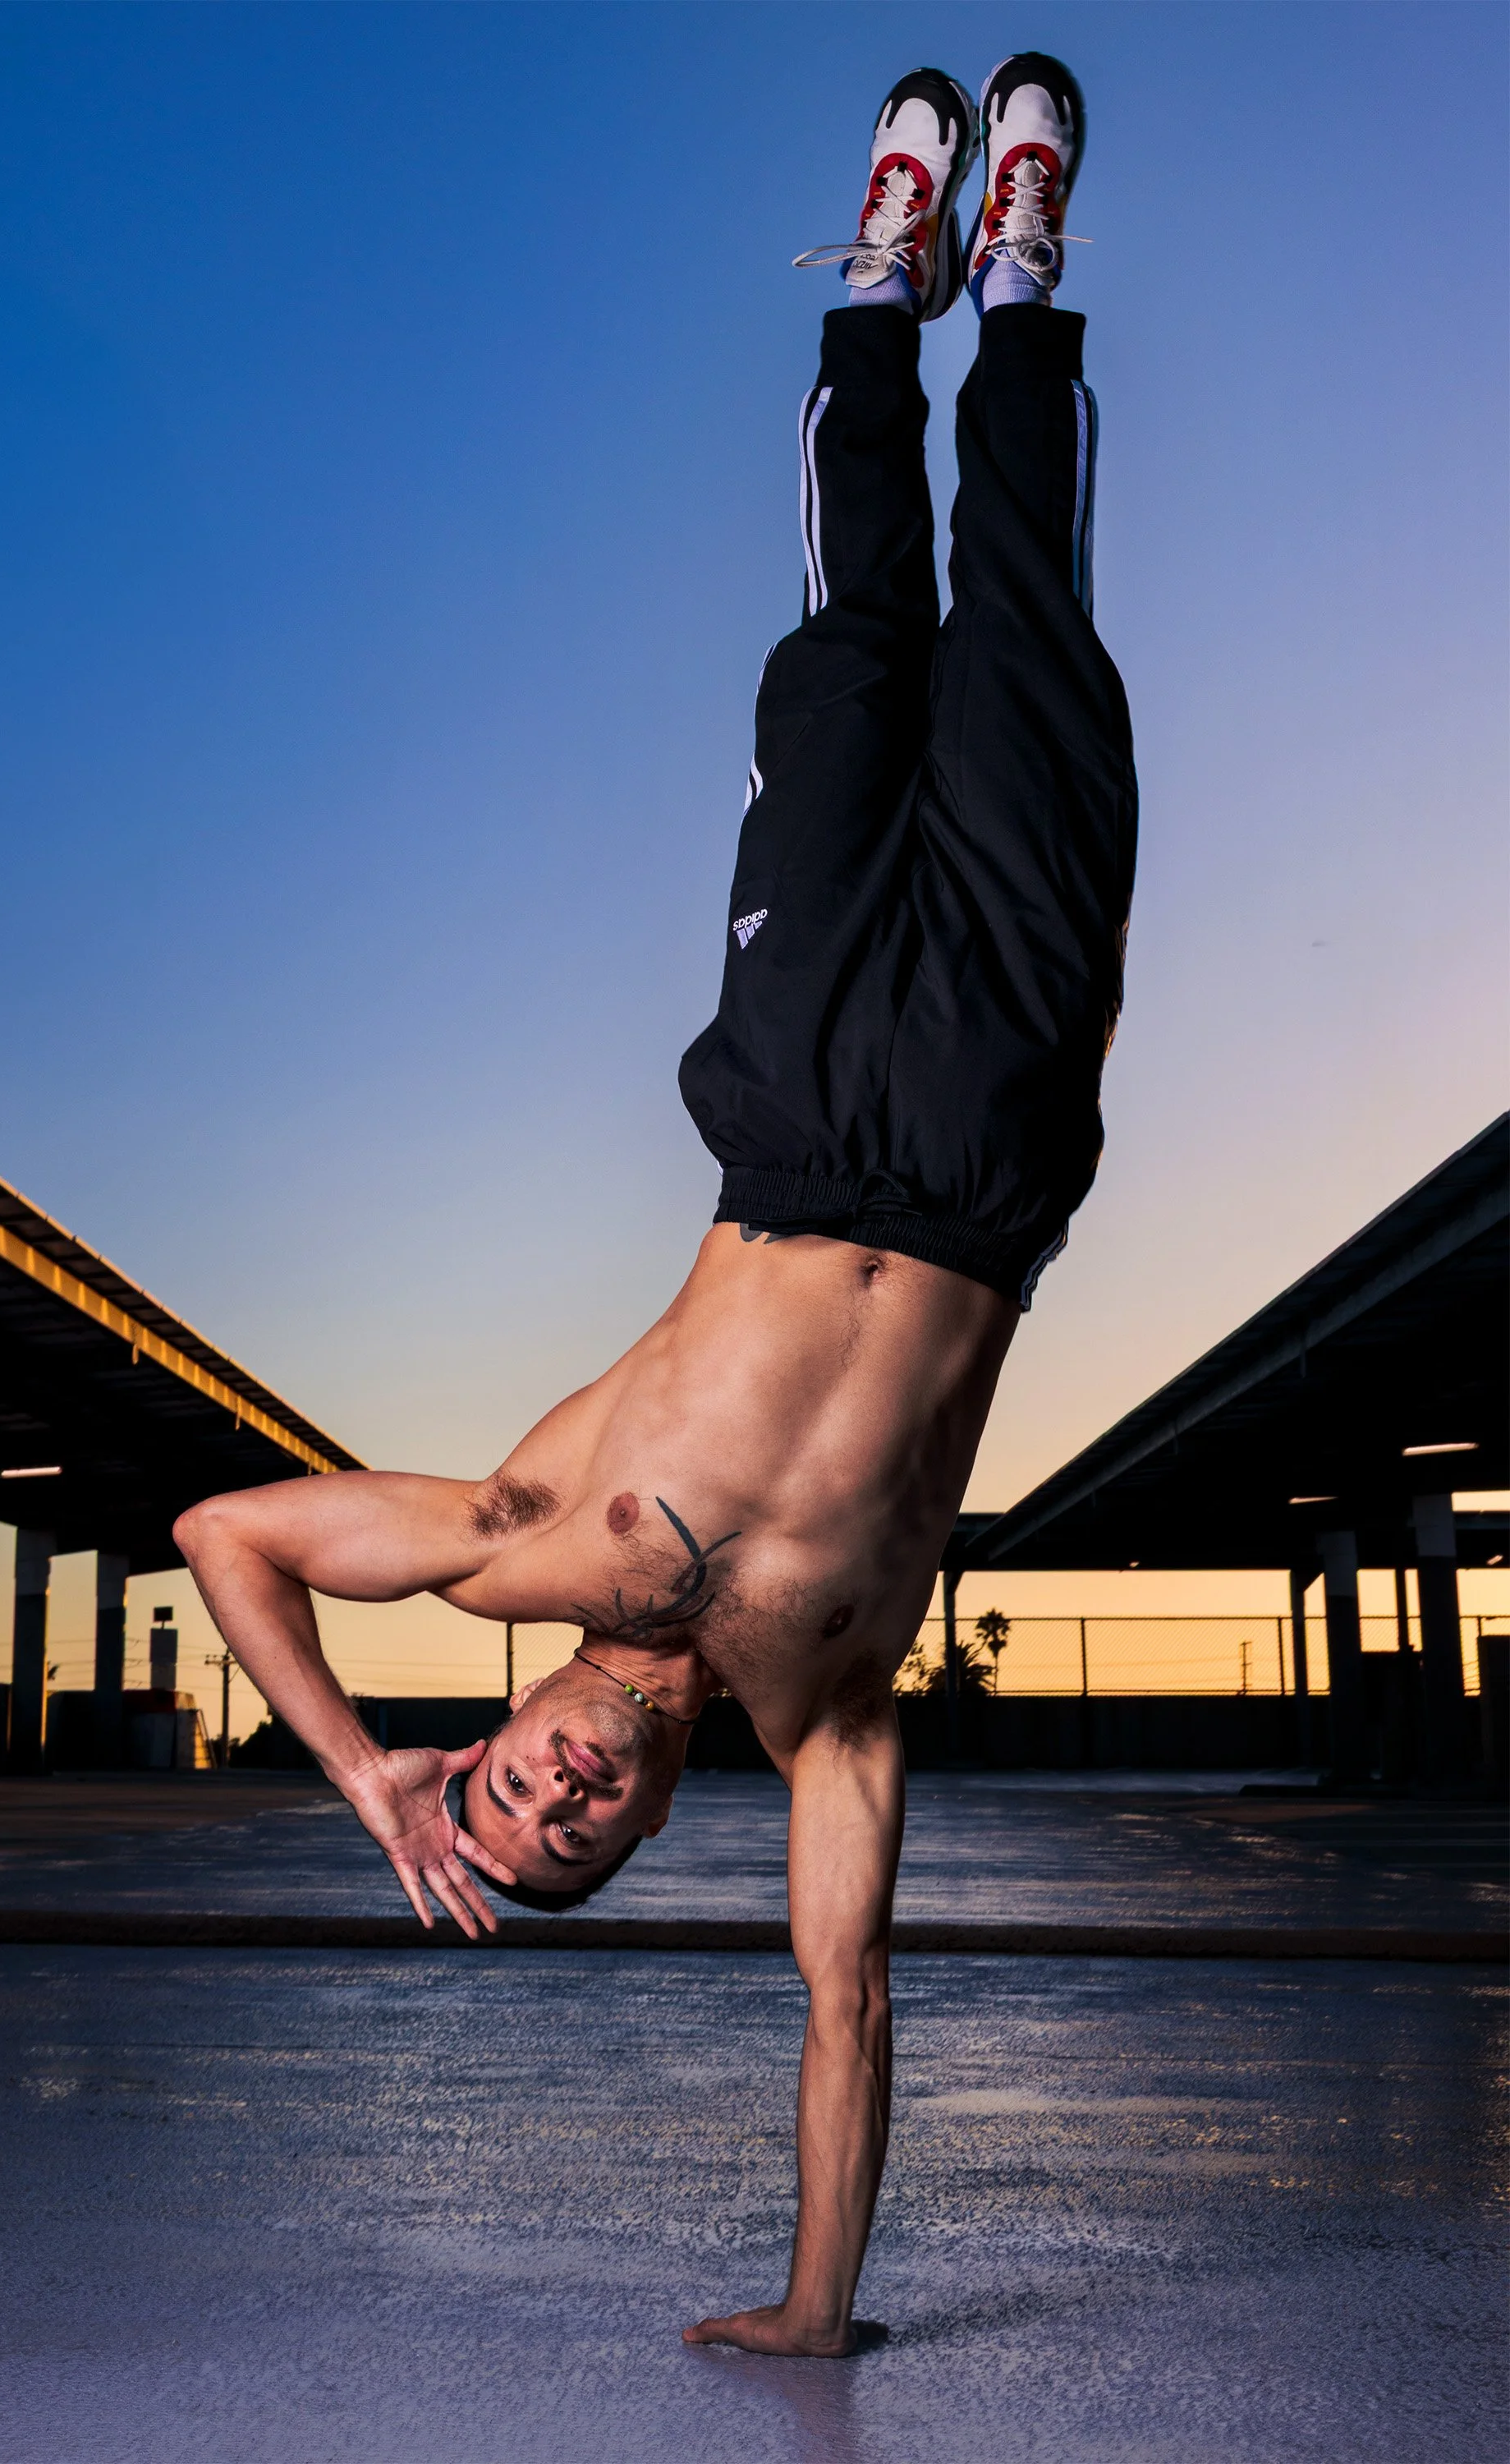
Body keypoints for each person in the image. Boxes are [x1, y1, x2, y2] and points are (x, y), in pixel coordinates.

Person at [177, 54, 1136, 2357]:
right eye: (564, 1839)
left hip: (794, 1104)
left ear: (498, 1734)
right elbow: (850, 2009)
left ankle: (880, 290)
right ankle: (1020, 265)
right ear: (635, 1837)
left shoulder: (538, 1529)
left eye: (504, 1789)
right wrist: (818, 2314)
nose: (551, 1791)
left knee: (845, 664)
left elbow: (230, 1536)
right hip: (1003, 1138)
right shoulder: (830, 1716)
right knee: (1029, 647)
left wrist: (364, 1783)